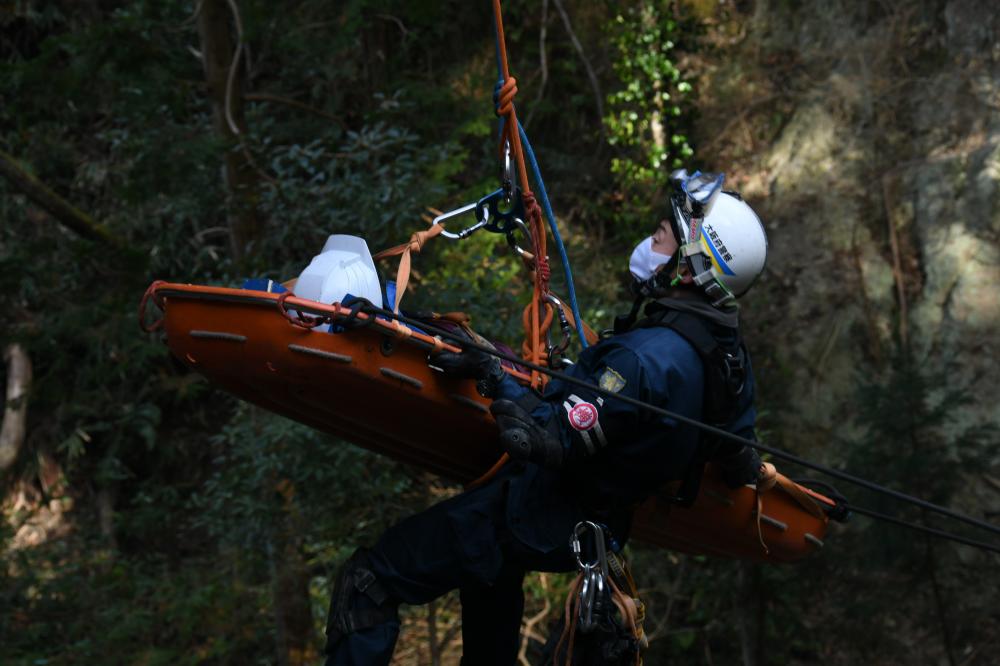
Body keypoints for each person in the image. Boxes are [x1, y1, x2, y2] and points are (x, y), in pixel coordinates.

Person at [323, 170, 767, 665]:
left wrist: (490, 371)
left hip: (532, 514)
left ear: (690, 269)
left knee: (369, 584)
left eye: (663, 235)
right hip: (591, 527)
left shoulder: (645, 359)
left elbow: (543, 438)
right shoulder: (729, 361)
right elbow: (738, 457)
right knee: (486, 584)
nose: (652, 238)